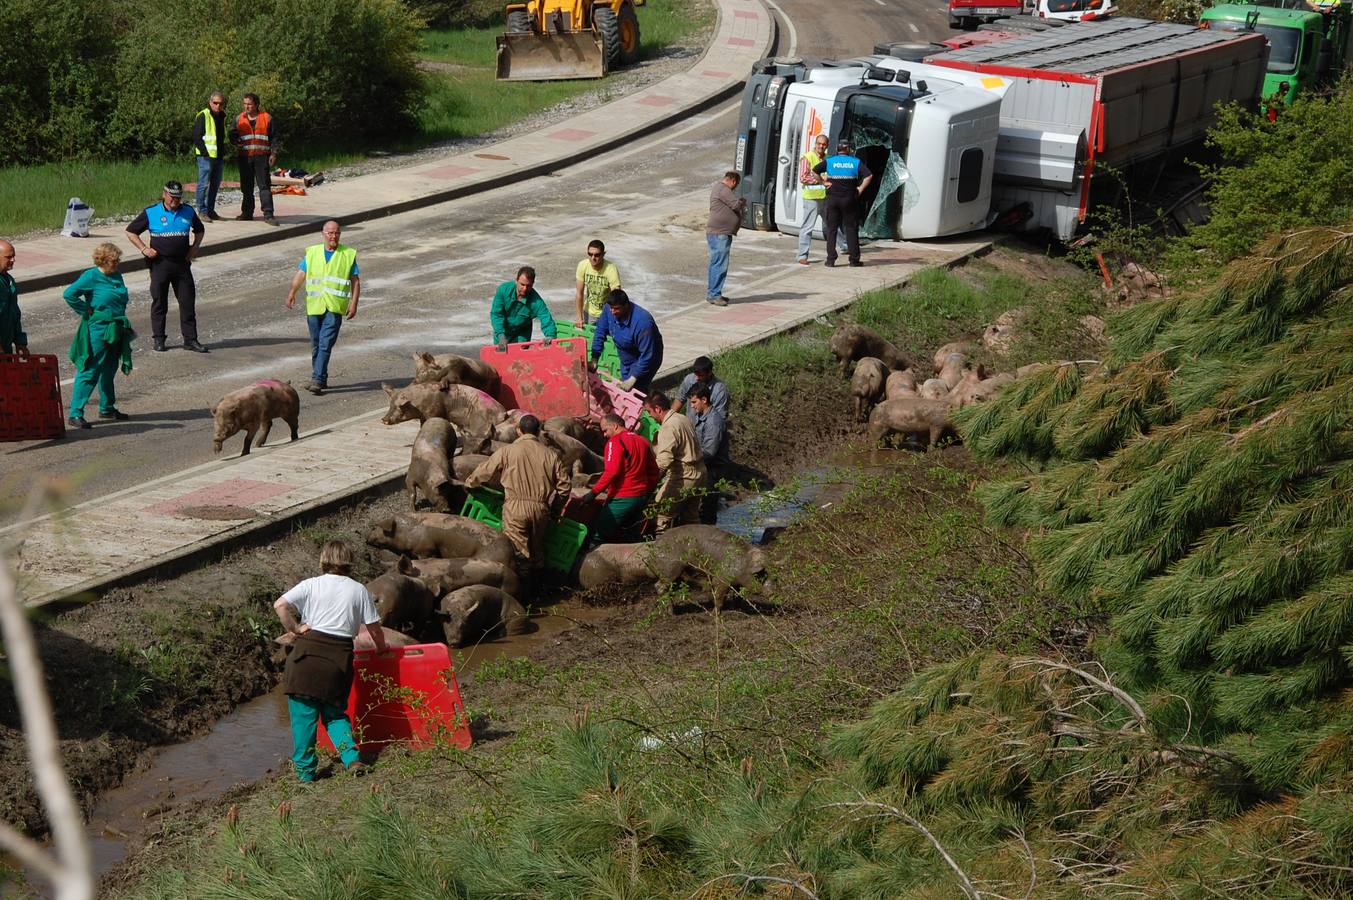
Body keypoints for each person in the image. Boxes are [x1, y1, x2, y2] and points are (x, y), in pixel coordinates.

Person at [274, 540, 387, 783]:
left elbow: (280, 605)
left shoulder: (311, 585)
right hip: (337, 661)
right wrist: (381, 649)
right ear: (349, 562)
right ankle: (352, 759)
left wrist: (295, 628)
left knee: (304, 721)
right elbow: (375, 630)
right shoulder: (359, 590)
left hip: (304, 658)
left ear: (323, 560)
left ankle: (305, 774)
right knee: (335, 715)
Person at [465, 414, 571, 581]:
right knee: (536, 551)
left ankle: (521, 593)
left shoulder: (507, 451)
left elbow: (484, 471)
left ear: (518, 431)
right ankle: (540, 591)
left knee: (517, 552)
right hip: (541, 509)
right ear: (538, 432)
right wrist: (555, 509)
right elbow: (565, 486)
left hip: (515, 508)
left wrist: (470, 484)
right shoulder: (551, 455)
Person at [125, 181, 207, 353]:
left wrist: (194, 249)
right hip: (160, 264)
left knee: (187, 302)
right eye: (172, 197)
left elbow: (200, 230)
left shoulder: (188, 211)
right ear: (164, 194)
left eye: (178, 198)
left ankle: (191, 340)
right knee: (159, 302)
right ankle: (159, 339)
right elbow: (131, 231)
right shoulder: (151, 212)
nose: (175, 201)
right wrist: (144, 249)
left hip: (182, 264)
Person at [62, 243, 135, 429]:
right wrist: (87, 312)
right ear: (103, 260)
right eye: (114, 260)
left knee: (109, 369)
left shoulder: (116, 275)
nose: (117, 262)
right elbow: (69, 294)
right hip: (99, 328)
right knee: (90, 369)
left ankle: (107, 408)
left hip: (116, 327)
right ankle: (75, 413)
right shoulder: (91, 276)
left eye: (118, 259)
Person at [286, 221, 360, 395]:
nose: (333, 236)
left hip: (334, 307)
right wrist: (292, 292)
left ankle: (317, 379)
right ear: (323, 234)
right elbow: (301, 274)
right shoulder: (312, 253)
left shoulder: (347, 254)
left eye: (337, 233)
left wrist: (354, 303)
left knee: (325, 344)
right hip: (315, 306)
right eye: (330, 233)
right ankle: (321, 377)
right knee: (316, 345)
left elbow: (355, 282)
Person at [588, 412, 659, 543]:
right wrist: (646, 491)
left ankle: (587, 562)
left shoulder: (614, 442)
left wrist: (593, 492)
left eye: (605, 430)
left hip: (622, 498)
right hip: (640, 498)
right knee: (630, 536)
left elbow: (611, 471)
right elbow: (654, 472)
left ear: (615, 426)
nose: (604, 435)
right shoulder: (643, 441)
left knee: (599, 535)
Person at [644, 390, 706, 531]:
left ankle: (660, 548)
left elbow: (663, 462)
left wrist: (650, 486)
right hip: (700, 472)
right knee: (691, 517)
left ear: (658, 409)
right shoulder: (682, 418)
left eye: (649, 412)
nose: (649, 416)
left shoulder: (668, 427)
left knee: (660, 514)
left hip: (684, 475)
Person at [591, 289, 663, 393]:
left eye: (616, 309)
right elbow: (600, 332)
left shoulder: (643, 323)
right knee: (625, 390)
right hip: (626, 356)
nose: (612, 312)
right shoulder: (609, 309)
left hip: (646, 358)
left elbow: (647, 355)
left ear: (626, 305)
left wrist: (633, 378)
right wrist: (595, 358)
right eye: (611, 308)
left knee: (636, 392)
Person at [815, 140, 873, 268]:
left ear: (838, 149)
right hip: (849, 200)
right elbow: (869, 176)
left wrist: (823, 183)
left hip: (832, 200)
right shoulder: (855, 162)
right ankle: (854, 260)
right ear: (848, 150)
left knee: (832, 230)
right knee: (851, 229)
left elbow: (814, 171)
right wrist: (860, 189)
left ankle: (830, 260)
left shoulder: (830, 161)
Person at [797, 133, 847, 265]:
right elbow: (803, 177)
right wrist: (821, 181)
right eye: (819, 143)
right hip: (811, 199)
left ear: (827, 146)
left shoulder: (829, 159)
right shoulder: (807, 157)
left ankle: (844, 246)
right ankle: (802, 256)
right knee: (807, 228)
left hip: (826, 198)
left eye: (824, 144)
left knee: (832, 224)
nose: (821, 146)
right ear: (815, 144)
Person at [229, 93, 278, 225]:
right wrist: (235, 141)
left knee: (264, 186)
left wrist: (273, 153)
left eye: (249, 104)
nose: (247, 106)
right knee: (246, 187)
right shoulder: (239, 118)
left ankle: (268, 214)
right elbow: (231, 134)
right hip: (244, 157)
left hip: (262, 157)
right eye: (245, 104)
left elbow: (274, 138)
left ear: (256, 104)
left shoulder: (267, 118)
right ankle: (247, 213)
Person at [689, 383, 730, 524]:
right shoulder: (699, 415)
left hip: (713, 468)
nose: (692, 406)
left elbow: (709, 452)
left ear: (704, 400)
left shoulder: (714, 421)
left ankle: (709, 531)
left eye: (694, 402)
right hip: (703, 464)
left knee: (708, 504)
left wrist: (688, 461)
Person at [490, 266, 557, 349]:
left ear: (533, 284)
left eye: (528, 286)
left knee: (520, 357)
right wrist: (500, 334)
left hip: (522, 333)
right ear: (516, 280)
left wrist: (550, 335)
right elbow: (496, 314)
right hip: (502, 331)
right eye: (522, 284)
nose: (525, 289)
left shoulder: (536, 301)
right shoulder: (503, 290)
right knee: (500, 355)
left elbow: (546, 317)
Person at [705, 171, 746, 306]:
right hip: (719, 233)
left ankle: (714, 293)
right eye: (736, 185)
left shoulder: (719, 188)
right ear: (733, 181)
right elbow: (735, 205)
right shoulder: (724, 189)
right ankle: (714, 294)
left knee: (716, 263)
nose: (735, 188)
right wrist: (742, 202)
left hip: (718, 232)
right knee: (719, 264)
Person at [193, 91, 227, 221]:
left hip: (218, 156)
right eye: (215, 103)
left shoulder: (222, 116)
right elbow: (197, 137)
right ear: (210, 102)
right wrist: (205, 153)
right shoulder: (203, 115)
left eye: (220, 103)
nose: (218, 106)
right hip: (205, 157)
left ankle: (210, 210)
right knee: (203, 184)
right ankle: (202, 211)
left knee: (215, 184)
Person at [574, 239, 622, 326]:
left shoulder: (611, 269)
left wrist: (613, 316)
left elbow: (616, 295)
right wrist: (579, 317)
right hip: (589, 313)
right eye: (590, 254)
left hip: (607, 314)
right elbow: (579, 293)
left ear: (603, 254)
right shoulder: (582, 265)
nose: (593, 258)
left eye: (597, 255)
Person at [0, 239, 27, 357]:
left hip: (5, 349)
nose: (13, 260)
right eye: (8, 257)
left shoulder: (8, 280)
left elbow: (14, 313)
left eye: (14, 256)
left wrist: (20, 342)